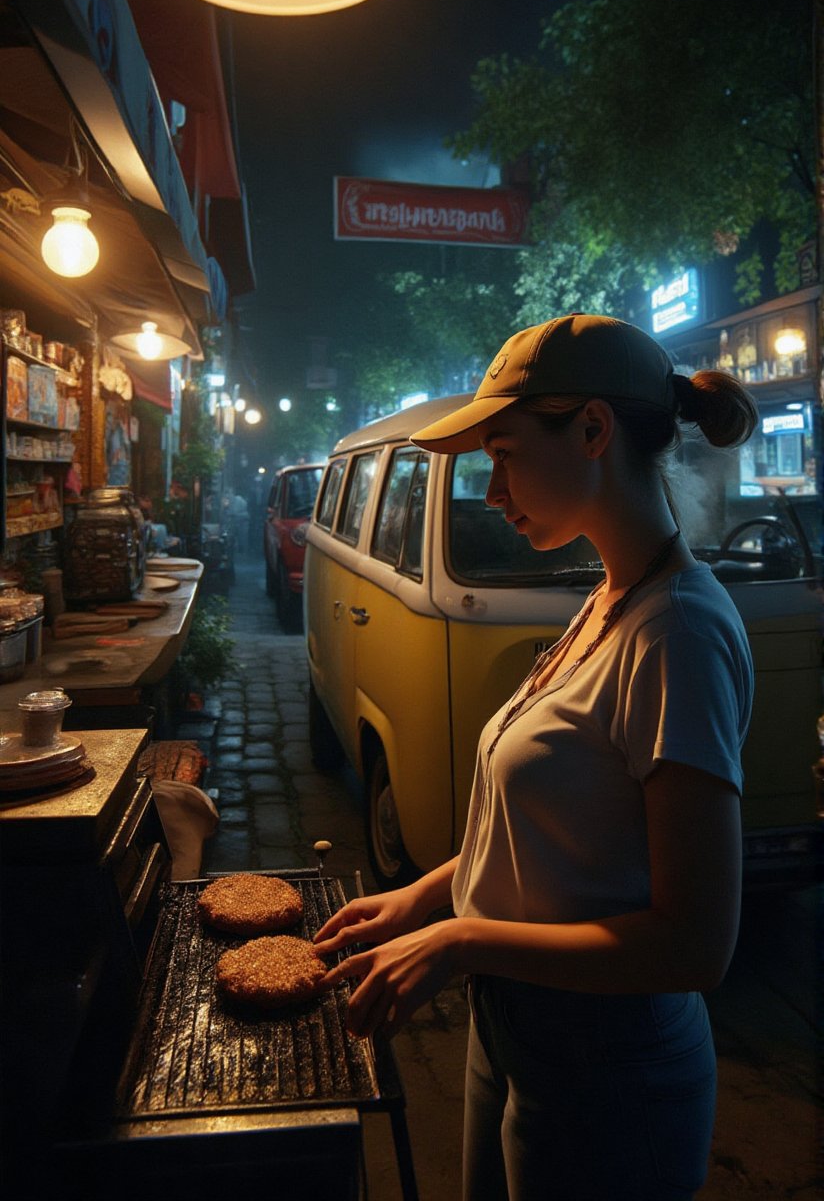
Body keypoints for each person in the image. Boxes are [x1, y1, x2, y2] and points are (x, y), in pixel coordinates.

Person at [314, 313, 757, 1201]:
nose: (490, 490)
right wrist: (423, 897)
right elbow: (548, 839)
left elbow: (694, 946)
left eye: (505, 452)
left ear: (593, 430)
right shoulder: (607, 599)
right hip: (517, 1030)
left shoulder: (676, 633)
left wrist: (462, 940)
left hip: (612, 1075)